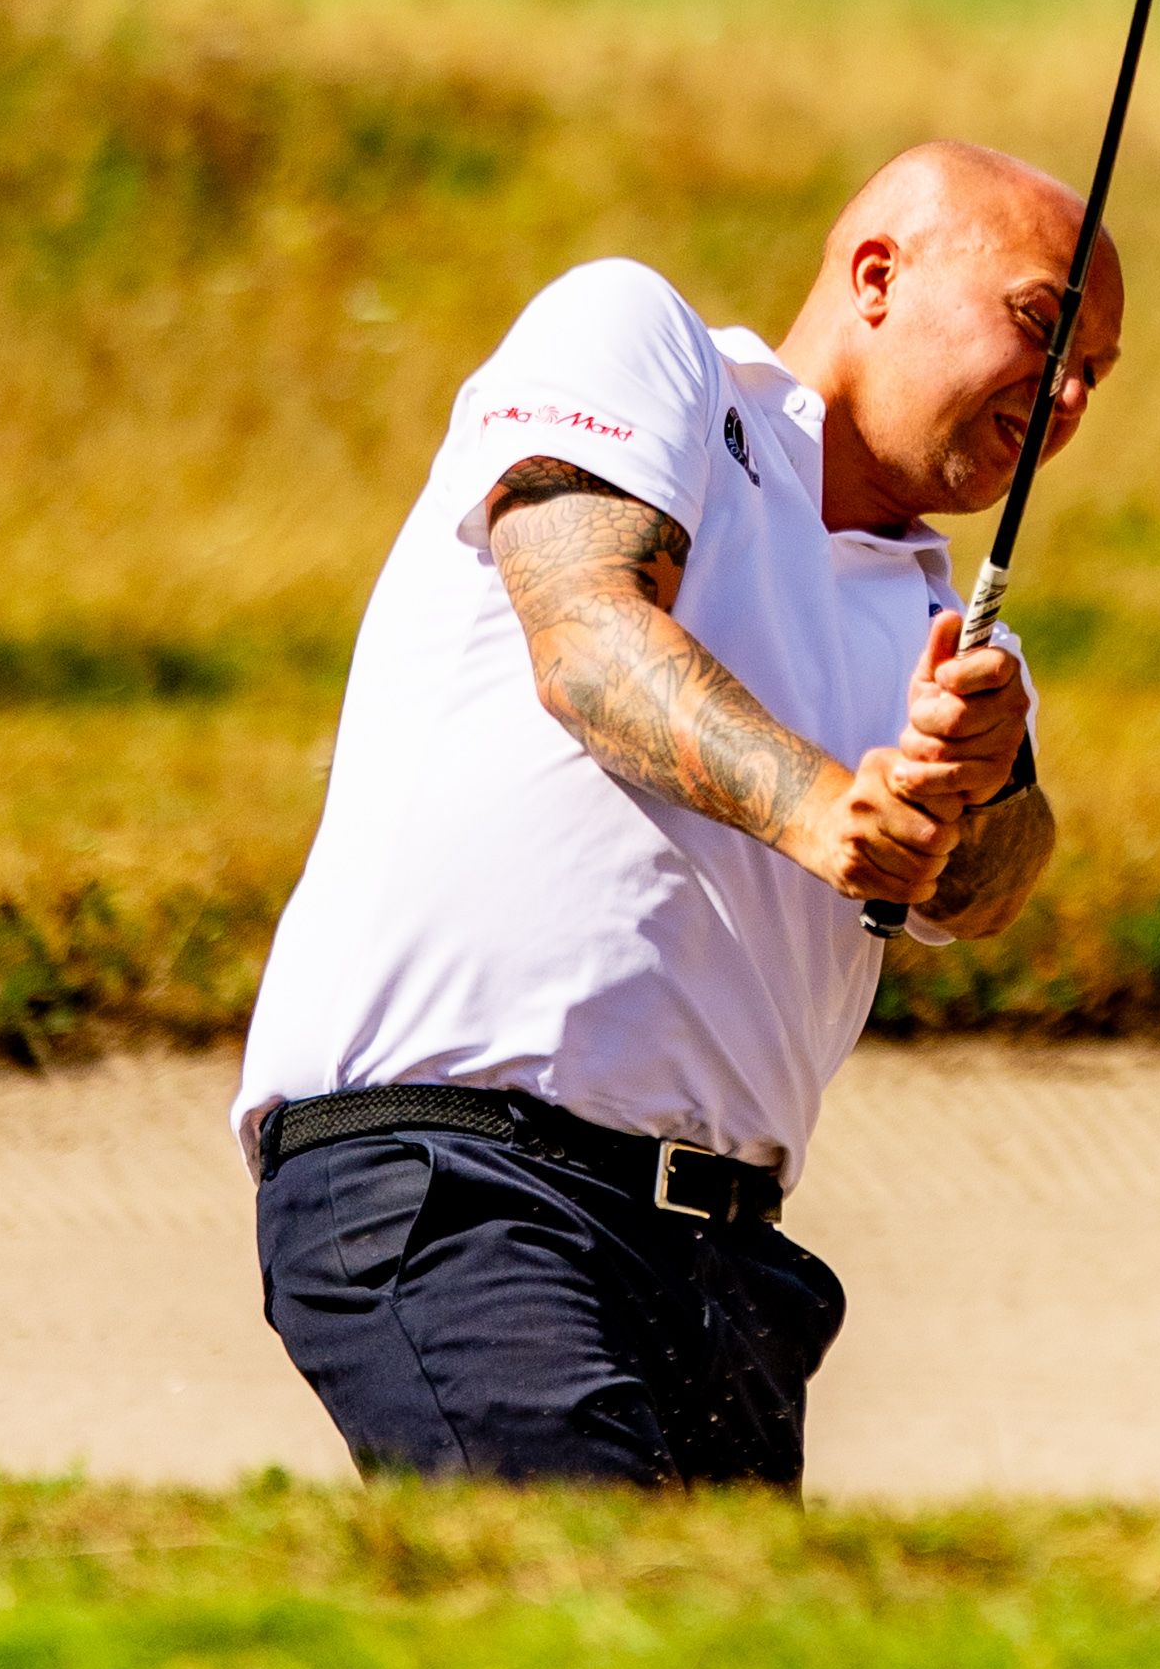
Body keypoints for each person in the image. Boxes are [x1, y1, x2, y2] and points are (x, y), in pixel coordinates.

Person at [237, 141, 1113, 1494]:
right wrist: (830, 811)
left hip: (727, 1262)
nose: (1065, 395)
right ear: (878, 275)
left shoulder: (948, 628)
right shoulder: (646, 347)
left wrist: (985, 786)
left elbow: (987, 888)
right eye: (1040, 325)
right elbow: (586, 639)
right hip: (462, 1176)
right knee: (585, 1613)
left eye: (1095, 377)